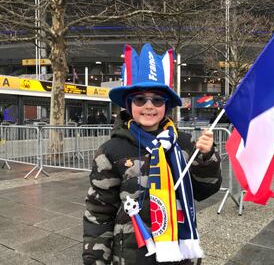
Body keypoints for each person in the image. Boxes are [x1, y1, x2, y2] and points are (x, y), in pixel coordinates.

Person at [83, 43, 222, 265]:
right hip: (132, 255)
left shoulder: (184, 143)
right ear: (129, 104)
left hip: (180, 253)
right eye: (140, 99)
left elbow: (205, 190)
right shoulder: (111, 151)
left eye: (157, 99)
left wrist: (207, 158)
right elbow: (99, 212)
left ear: (166, 106)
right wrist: (95, 259)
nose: (149, 106)